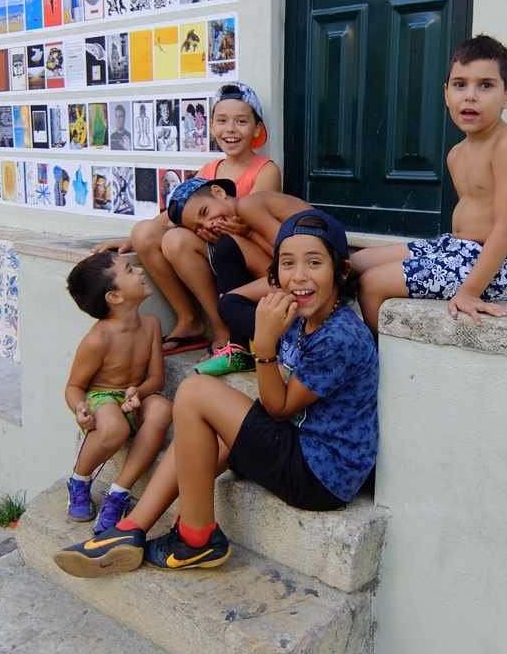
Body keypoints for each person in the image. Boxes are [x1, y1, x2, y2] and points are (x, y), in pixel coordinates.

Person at [53, 211, 379, 577]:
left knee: (194, 393)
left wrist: (265, 342)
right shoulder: (301, 313)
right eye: (287, 263)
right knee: (198, 426)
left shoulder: (340, 336)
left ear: (342, 271)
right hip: (300, 442)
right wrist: (197, 484)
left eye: (314, 262)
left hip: (323, 474)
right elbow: (273, 408)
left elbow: (279, 408)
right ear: (275, 274)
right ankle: (128, 531)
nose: (299, 275)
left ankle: (197, 537)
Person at [353, 35, 507, 334]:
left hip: (499, 267)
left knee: (372, 282)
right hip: (453, 247)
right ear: (446, 93)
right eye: (460, 84)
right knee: (357, 262)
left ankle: (373, 360)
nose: (470, 96)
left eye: (486, 85)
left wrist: (470, 290)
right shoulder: (457, 154)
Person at [92, 83, 280, 356]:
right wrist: (130, 238)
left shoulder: (266, 170)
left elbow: (256, 217)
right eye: (222, 121)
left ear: (256, 129)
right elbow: (181, 210)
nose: (231, 129)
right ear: (212, 126)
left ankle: (223, 329)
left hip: (244, 253)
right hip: (213, 245)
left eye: (242, 121)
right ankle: (190, 320)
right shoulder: (210, 169)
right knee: (145, 232)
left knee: (177, 239)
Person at [63, 252, 174, 535]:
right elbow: (74, 386)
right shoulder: (98, 339)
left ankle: (119, 493)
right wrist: (80, 409)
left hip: (134, 398)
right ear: (114, 297)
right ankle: (79, 478)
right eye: (129, 270)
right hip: (103, 398)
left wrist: (141, 391)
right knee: (115, 426)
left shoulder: (150, 324)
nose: (138, 270)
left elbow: (156, 378)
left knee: (162, 408)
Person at [164, 180, 310, 375]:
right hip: (293, 270)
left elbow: (292, 257)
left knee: (229, 302)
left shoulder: (248, 205)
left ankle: (292, 347)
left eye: (205, 212)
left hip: (312, 273)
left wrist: (249, 233)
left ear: (219, 192)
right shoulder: (240, 220)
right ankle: (239, 349)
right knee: (227, 247)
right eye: (198, 228)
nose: (208, 225)